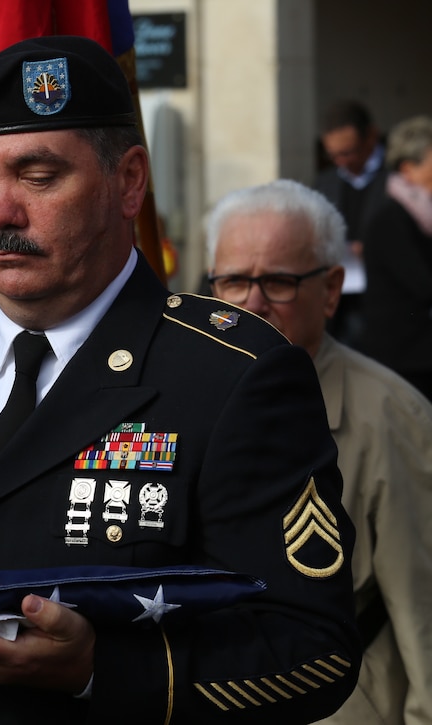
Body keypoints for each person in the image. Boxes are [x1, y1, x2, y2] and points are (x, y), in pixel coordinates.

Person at [0, 35, 360, 723]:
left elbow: (315, 647)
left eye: (38, 176)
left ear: (128, 181)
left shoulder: (230, 375)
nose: (0, 211)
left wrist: (101, 671)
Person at [207, 178, 432, 725]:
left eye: (279, 282)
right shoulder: (185, 396)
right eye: (233, 280)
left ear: (331, 290)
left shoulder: (391, 415)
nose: (252, 304)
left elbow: (422, 608)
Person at [357, 115, 432, 402]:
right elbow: (423, 284)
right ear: (408, 168)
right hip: (404, 357)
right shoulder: (392, 218)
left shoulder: (421, 213)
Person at [314, 100, 388, 347]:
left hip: (384, 297)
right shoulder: (325, 183)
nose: (341, 161)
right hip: (339, 301)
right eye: (333, 154)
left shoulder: (398, 178)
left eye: (349, 152)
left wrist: (373, 249)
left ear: (371, 137)